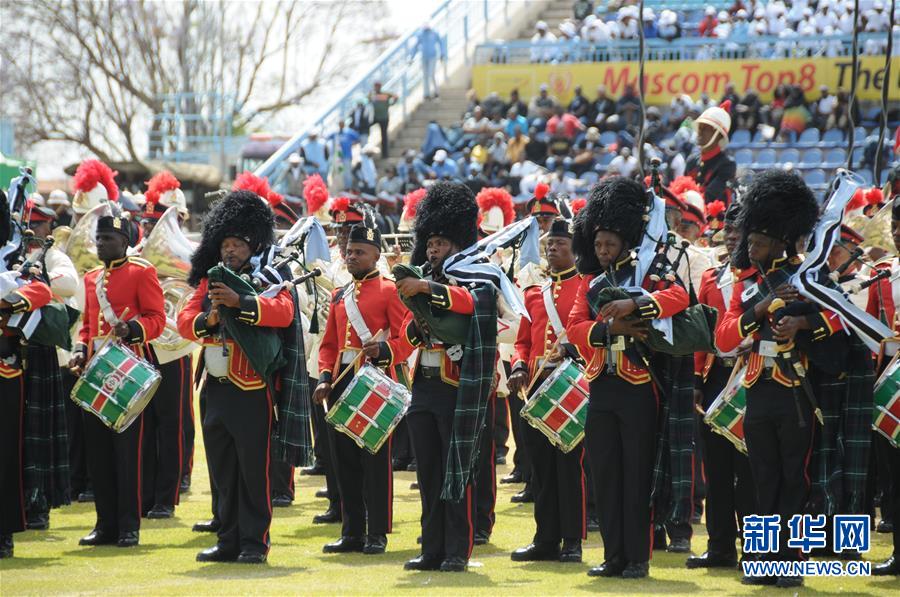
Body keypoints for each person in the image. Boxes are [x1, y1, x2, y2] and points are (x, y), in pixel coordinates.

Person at [715, 170, 840, 589]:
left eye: (759, 241)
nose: (751, 248)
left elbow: (839, 320)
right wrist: (763, 307)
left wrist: (802, 324)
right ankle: (762, 558)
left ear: (781, 240)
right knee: (760, 477)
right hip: (757, 388)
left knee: (794, 479)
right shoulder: (747, 283)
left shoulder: (808, 276)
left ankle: (792, 560)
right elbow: (725, 336)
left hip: (795, 389)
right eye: (749, 240)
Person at [567, 177, 690, 580]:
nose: (602, 251)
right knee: (603, 473)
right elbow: (575, 330)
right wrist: (611, 331)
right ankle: (613, 555)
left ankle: (637, 556)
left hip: (639, 386)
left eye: (610, 244)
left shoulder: (648, 273)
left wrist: (635, 302)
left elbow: (679, 297)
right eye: (598, 244)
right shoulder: (591, 283)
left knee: (637, 474)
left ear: (624, 243)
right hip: (602, 383)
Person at [177, 190, 301, 563]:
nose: (229, 250)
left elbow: (283, 313)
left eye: (237, 243)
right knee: (221, 470)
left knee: (253, 469)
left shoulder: (270, 273)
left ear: (253, 243)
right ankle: (227, 538)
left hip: (252, 387)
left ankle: (254, 542)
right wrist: (210, 318)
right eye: (225, 243)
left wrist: (240, 302)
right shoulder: (210, 279)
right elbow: (185, 321)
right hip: (215, 385)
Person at [396, 182, 500, 573]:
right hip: (424, 383)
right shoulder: (422, 274)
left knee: (459, 469)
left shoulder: (477, 272)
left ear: (457, 241)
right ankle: (432, 547)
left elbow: (474, 302)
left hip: (458, 385)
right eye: (430, 241)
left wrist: (427, 287)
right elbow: (410, 328)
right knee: (428, 472)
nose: (433, 248)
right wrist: (418, 322)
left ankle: (458, 549)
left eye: (440, 241)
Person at [313, 223, 412, 555]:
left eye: (360, 252)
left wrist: (386, 352)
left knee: (374, 461)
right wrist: (325, 377)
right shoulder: (339, 294)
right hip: (342, 380)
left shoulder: (389, 290)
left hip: (376, 382)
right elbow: (328, 344)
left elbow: (406, 338)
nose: (352, 256)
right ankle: (352, 530)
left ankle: (377, 532)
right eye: (350, 251)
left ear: (376, 255)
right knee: (344, 461)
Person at [69, 214, 165, 549]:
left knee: (128, 454)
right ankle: (104, 524)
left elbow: (157, 319)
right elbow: (87, 325)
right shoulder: (92, 277)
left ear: (124, 241)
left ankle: (128, 526)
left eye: (108, 239)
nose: (101, 244)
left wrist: (132, 329)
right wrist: (80, 350)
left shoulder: (142, 272)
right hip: (96, 370)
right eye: (99, 239)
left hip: (129, 369)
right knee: (98, 454)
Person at [508, 217, 586, 563]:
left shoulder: (586, 287)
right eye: (549, 245)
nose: (552, 250)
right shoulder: (534, 294)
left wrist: (574, 350)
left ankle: (572, 540)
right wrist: (519, 366)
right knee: (540, 468)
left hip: (571, 384)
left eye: (560, 245)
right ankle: (545, 538)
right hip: (537, 386)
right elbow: (522, 342)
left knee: (569, 467)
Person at [686, 200, 756, 570]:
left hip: (752, 372)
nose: (731, 237)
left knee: (748, 466)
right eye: (727, 230)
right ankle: (719, 546)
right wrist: (697, 378)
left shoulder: (760, 278)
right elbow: (701, 333)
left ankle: (754, 547)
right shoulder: (710, 278)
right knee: (715, 466)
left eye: (738, 231)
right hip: (715, 375)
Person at [19, 201, 77, 532]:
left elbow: (68, 284)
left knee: (39, 433)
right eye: (29, 224)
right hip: (13, 349)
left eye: (39, 225)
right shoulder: (14, 251)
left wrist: (29, 283)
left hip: (39, 351)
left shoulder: (54, 256)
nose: (32, 231)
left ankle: (39, 503)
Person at [0, 258, 55, 558]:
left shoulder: (15, 259)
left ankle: (3, 532)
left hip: (4, 370)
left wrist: (10, 300)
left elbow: (42, 290)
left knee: (6, 455)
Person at [867, 198, 900, 576]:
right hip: (889, 379)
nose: (897, 234)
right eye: (895, 229)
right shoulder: (881, 273)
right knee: (893, 473)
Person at [685, 100, 737, 204]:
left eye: (705, 128)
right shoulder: (692, 160)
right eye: (700, 127)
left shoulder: (727, 164)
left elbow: (709, 197)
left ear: (718, 135)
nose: (700, 132)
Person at [410, 23, 445, 100]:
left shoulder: (434, 33)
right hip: (424, 57)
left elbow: (441, 43)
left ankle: (436, 92)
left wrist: (442, 54)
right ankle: (426, 94)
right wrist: (411, 57)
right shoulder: (421, 34)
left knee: (431, 74)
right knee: (425, 76)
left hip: (433, 56)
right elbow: (415, 47)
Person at [369, 82, 397, 158]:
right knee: (366, 128)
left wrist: (391, 104)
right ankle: (368, 149)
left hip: (384, 117)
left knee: (384, 136)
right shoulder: (372, 94)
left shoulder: (386, 94)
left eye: (377, 86)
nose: (376, 88)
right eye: (375, 86)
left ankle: (385, 154)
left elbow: (395, 97)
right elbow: (368, 100)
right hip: (376, 117)